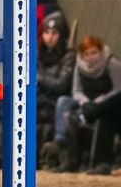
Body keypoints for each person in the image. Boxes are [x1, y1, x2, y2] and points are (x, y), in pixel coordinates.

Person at [47, 36, 121, 173]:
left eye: (94, 53)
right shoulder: (79, 65)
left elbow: (118, 89)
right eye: (87, 54)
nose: (90, 57)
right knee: (64, 101)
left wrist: (99, 101)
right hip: (86, 102)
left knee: (101, 113)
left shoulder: (111, 63)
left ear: (100, 51)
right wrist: (85, 102)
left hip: (106, 102)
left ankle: (82, 119)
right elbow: (76, 90)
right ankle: (61, 142)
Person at [35, 11, 74, 166]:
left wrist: (39, 78)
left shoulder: (68, 56)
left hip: (57, 101)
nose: (49, 37)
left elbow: (61, 85)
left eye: (54, 33)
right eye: (46, 32)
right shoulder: (38, 54)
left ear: (61, 35)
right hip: (40, 99)